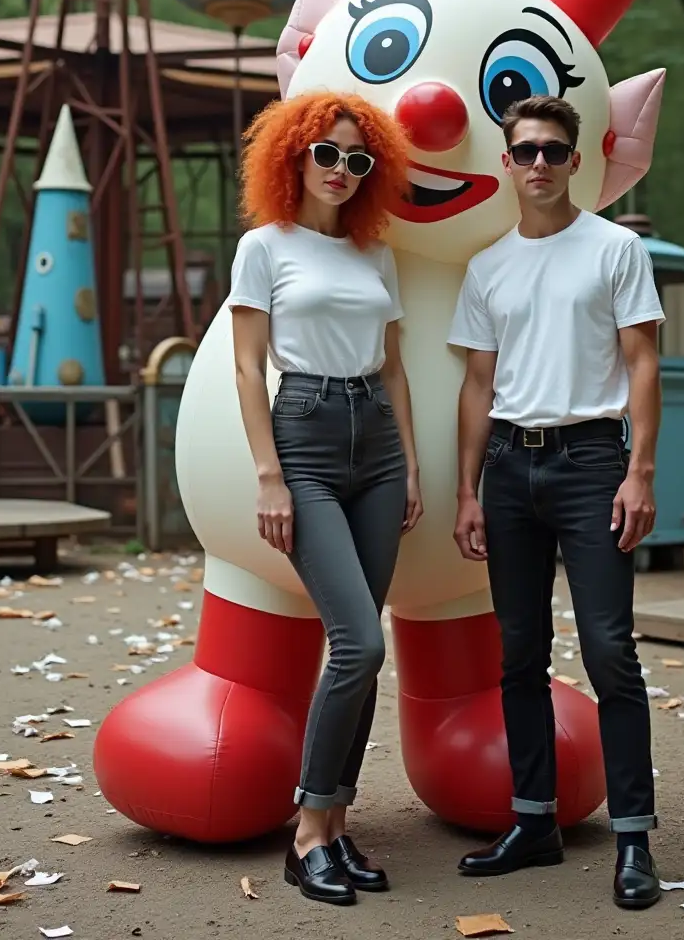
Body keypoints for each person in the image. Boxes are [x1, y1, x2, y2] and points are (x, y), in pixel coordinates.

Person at [448, 93, 664, 909]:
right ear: (506, 163)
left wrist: (639, 471)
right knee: (519, 654)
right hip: (508, 466)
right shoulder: (487, 266)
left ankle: (635, 836)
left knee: (611, 652)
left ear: (577, 161)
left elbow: (642, 362)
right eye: (525, 150)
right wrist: (466, 491)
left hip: (591, 463)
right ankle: (533, 822)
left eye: (553, 150)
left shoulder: (614, 249)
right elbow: (477, 385)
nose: (539, 163)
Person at [228, 91, 423, 907]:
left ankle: (337, 827)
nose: (341, 171)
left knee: (363, 644)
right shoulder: (264, 248)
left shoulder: (377, 256)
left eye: (358, 160)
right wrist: (270, 476)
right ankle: (308, 831)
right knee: (359, 645)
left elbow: (393, 366)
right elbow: (246, 368)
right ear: (294, 156)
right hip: (303, 433)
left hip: (376, 441)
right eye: (327, 155)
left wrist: (410, 465)